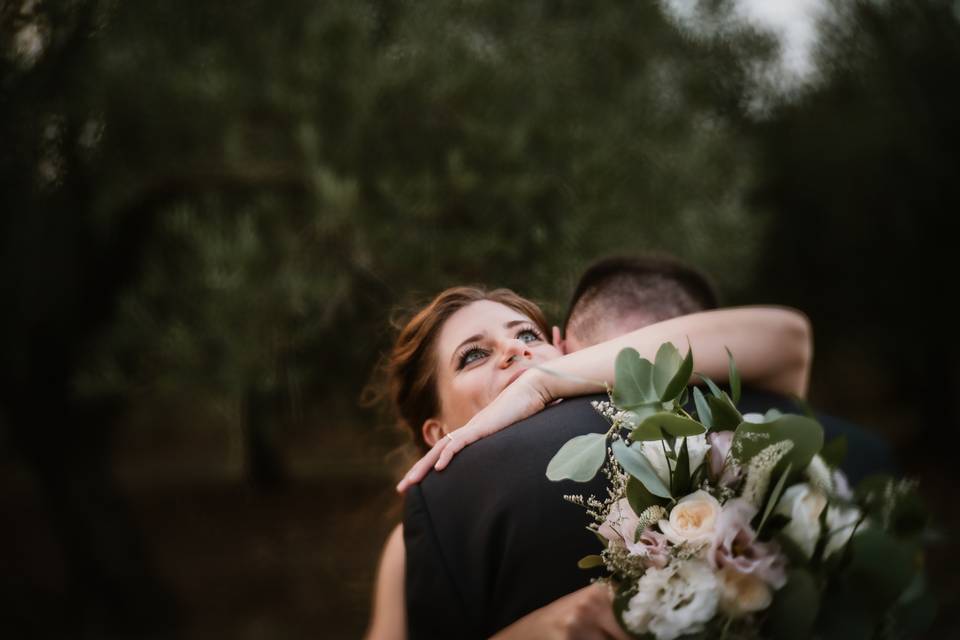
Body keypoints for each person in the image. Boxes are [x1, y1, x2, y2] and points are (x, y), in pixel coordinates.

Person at [366, 283, 811, 639]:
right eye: (474, 355)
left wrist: (542, 381)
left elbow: (786, 337)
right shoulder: (411, 541)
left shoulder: (643, 432)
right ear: (438, 431)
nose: (515, 351)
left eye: (527, 336)